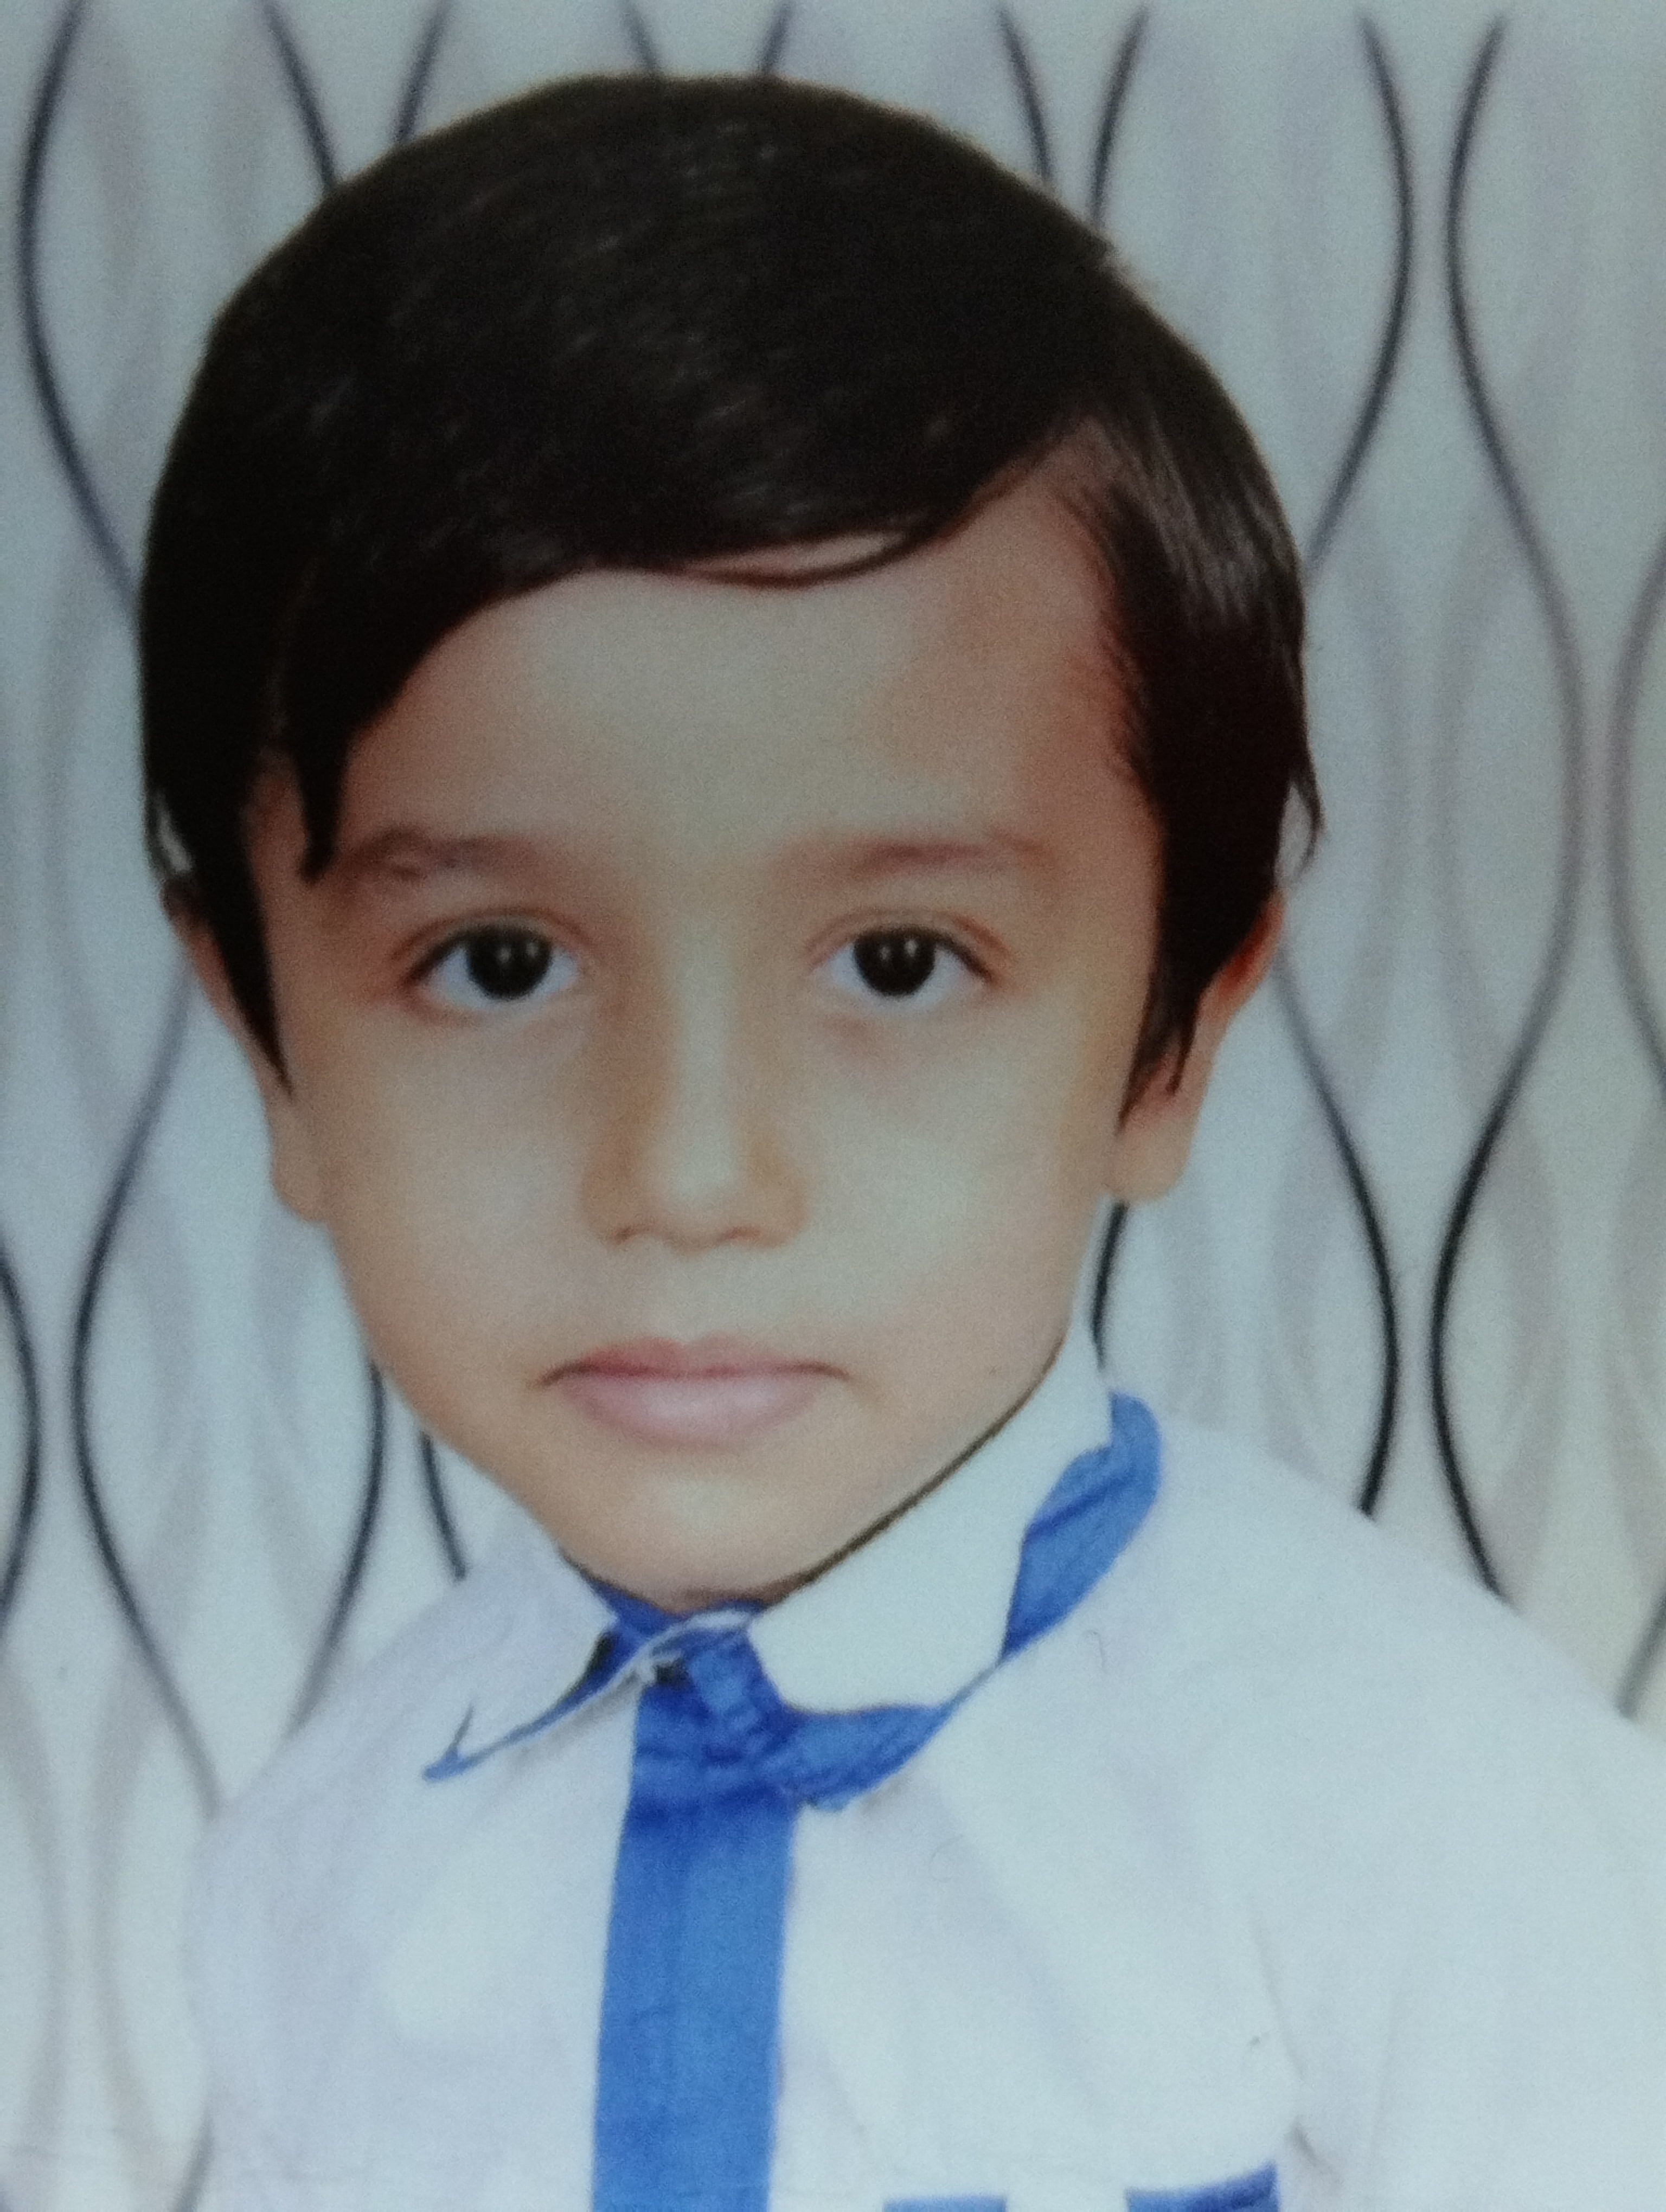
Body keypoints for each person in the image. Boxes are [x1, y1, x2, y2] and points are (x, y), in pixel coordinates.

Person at [142, 70, 1666, 2212]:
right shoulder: (318, 1876)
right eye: (499, 963)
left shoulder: (1443, 1822)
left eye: (894, 964)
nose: (688, 1177)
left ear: (1174, 1038)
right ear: (266, 1042)